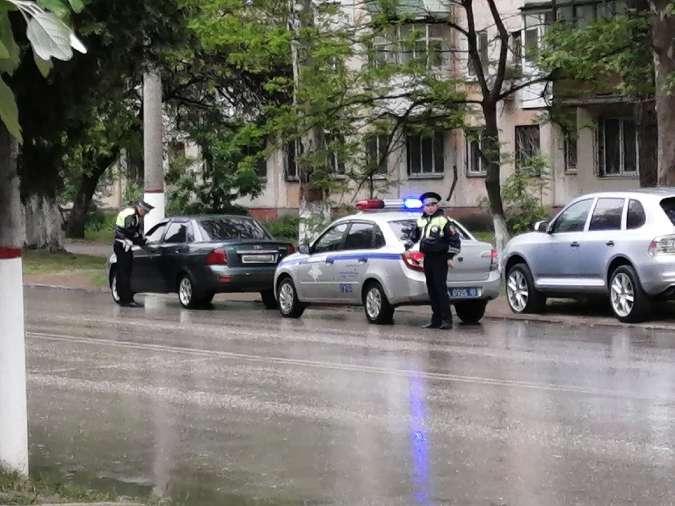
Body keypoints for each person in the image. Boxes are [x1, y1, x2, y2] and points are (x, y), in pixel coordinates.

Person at [407, 192, 460, 329]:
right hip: (427, 258)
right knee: (432, 289)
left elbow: (454, 240)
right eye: (427, 205)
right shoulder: (421, 220)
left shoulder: (443, 220)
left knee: (440, 288)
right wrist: (406, 246)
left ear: (437, 205)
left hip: (440, 258)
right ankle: (436, 319)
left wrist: (449, 257)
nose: (430, 208)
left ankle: (446, 320)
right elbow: (414, 236)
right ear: (423, 207)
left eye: (433, 205)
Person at [113, 200, 154, 307]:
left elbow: (135, 233)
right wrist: (142, 241)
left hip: (124, 245)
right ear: (140, 209)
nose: (145, 214)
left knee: (124, 272)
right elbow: (130, 232)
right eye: (145, 212)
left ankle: (124, 298)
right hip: (122, 245)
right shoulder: (131, 215)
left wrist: (142, 240)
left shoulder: (133, 215)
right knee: (124, 273)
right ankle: (125, 300)